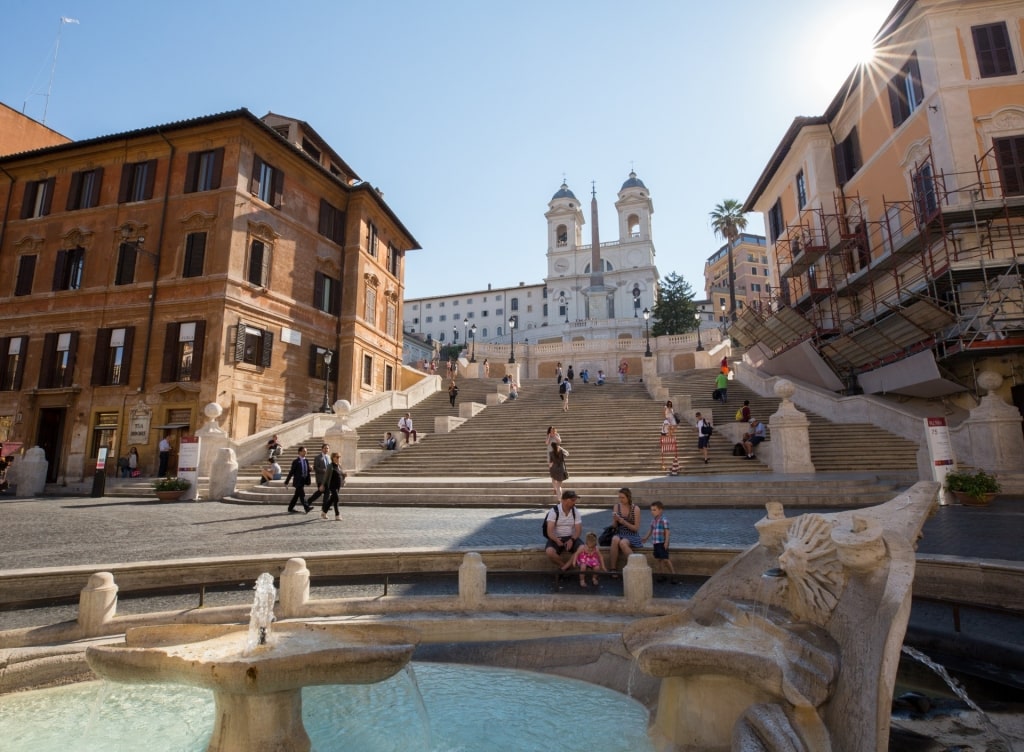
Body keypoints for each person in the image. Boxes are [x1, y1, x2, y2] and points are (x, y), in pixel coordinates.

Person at [643, 501, 679, 584]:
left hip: (662, 542)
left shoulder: (664, 520)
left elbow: (667, 532)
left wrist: (666, 542)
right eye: (651, 510)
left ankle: (674, 575)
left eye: (654, 510)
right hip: (656, 543)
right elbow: (650, 530)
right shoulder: (653, 521)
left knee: (666, 559)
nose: (652, 512)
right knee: (659, 559)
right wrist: (645, 537)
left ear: (660, 510)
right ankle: (662, 574)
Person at [543, 490, 582, 568]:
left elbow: (578, 530)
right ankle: (564, 566)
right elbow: (549, 532)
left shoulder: (575, 511)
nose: (575, 503)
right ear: (566, 500)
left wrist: (572, 540)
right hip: (556, 537)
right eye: (573, 500)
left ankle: (564, 568)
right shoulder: (554, 511)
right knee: (549, 552)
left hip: (571, 537)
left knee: (582, 548)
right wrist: (557, 540)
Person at [608, 487, 643, 573]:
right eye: (619, 497)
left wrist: (623, 521)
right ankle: (613, 569)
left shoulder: (635, 509)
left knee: (623, 543)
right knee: (615, 539)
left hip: (632, 534)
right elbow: (615, 525)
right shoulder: (617, 507)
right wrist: (615, 521)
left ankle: (636, 565)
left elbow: (636, 528)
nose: (621, 500)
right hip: (620, 532)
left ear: (628, 497)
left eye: (623, 497)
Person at [284, 446, 311, 513]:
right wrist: (287, 481)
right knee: (302, 494)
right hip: (298, 481)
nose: (305, 452)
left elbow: (306, 470)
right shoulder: (296, 461)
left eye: (306, 451)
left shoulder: (306, 460)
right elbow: (291, 472)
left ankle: (290, 508)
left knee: (296, 495)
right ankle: (306, 507)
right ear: (299, 452)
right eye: (304, 451)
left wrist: (310, 469)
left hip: (304, 480)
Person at [319, 451, 346, 520]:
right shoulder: (330, 466)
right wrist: (322, 485)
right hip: (332, 485)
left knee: (332, 499)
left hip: (338, 485)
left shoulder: (339, 465)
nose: (338, 458)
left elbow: (341, 474)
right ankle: (337, 515)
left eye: (339, 457)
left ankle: (324, 512)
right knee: (336, 499)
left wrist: (344, 476)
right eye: (337, 457)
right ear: (333, 458)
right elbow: (326, 476)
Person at [306, 444, 331, 509]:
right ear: (322, 449)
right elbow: (315, 468)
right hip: (320, 478)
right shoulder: (318, 457)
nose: (326, 450)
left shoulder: (329, 457)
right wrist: (323, 470)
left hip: (328, 479)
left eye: (327, 448)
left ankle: (324, 506)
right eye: (325, 448)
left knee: (326, 492)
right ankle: (309, 501)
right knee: (321, 492)